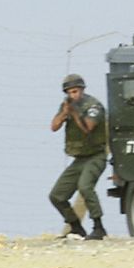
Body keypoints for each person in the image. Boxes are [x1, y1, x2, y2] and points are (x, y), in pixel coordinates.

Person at [48, 73, 108, 240]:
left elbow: (88, 127)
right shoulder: (66, 105)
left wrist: (74, 114)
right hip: (80, 158)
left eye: (75, 91)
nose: (73, 95)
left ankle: (98, 227)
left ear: (82, 90)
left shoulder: (93, 106)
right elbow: (54, 126)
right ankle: (76, 227)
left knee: (85, 186)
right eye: (70, 92)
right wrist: (64, 113)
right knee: (57, 195)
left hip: (96, 155)